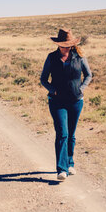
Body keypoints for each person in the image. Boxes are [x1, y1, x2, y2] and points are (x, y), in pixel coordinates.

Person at [40, 28, 92, 181]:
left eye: (68, 45)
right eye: (63, 45)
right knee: (62, 133)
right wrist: (53, 90)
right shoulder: (51, 57)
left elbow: (88, 75)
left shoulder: (80, 57)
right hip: (57, 102)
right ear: (58, 44)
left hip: (76, 101)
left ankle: (70, 162)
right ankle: (61, 169)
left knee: (71, 134)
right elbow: (43, 79)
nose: (65, 48)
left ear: (72, 45)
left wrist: (80, 89)